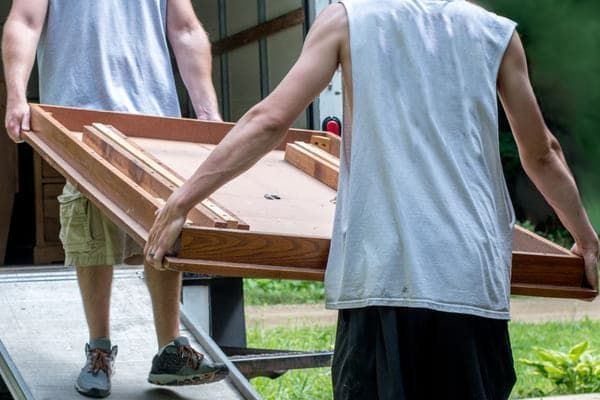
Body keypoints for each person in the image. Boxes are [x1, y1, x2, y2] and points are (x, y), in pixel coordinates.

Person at [145, 0, 600, 399]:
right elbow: (541, 153)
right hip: (469, 278)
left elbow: (269, 121)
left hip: (385, 274)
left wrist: (181, 202)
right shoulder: (495, 33)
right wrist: (585, 239)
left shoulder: (348, 20)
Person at [3, 0, 228, 397]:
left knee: (166, 221)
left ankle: (170, 351)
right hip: (80, 117)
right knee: (88, 224)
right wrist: (16, 95)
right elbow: (24, 20)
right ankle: (99, 351)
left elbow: (186, 29)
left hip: (154, 116)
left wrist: (208, 112)